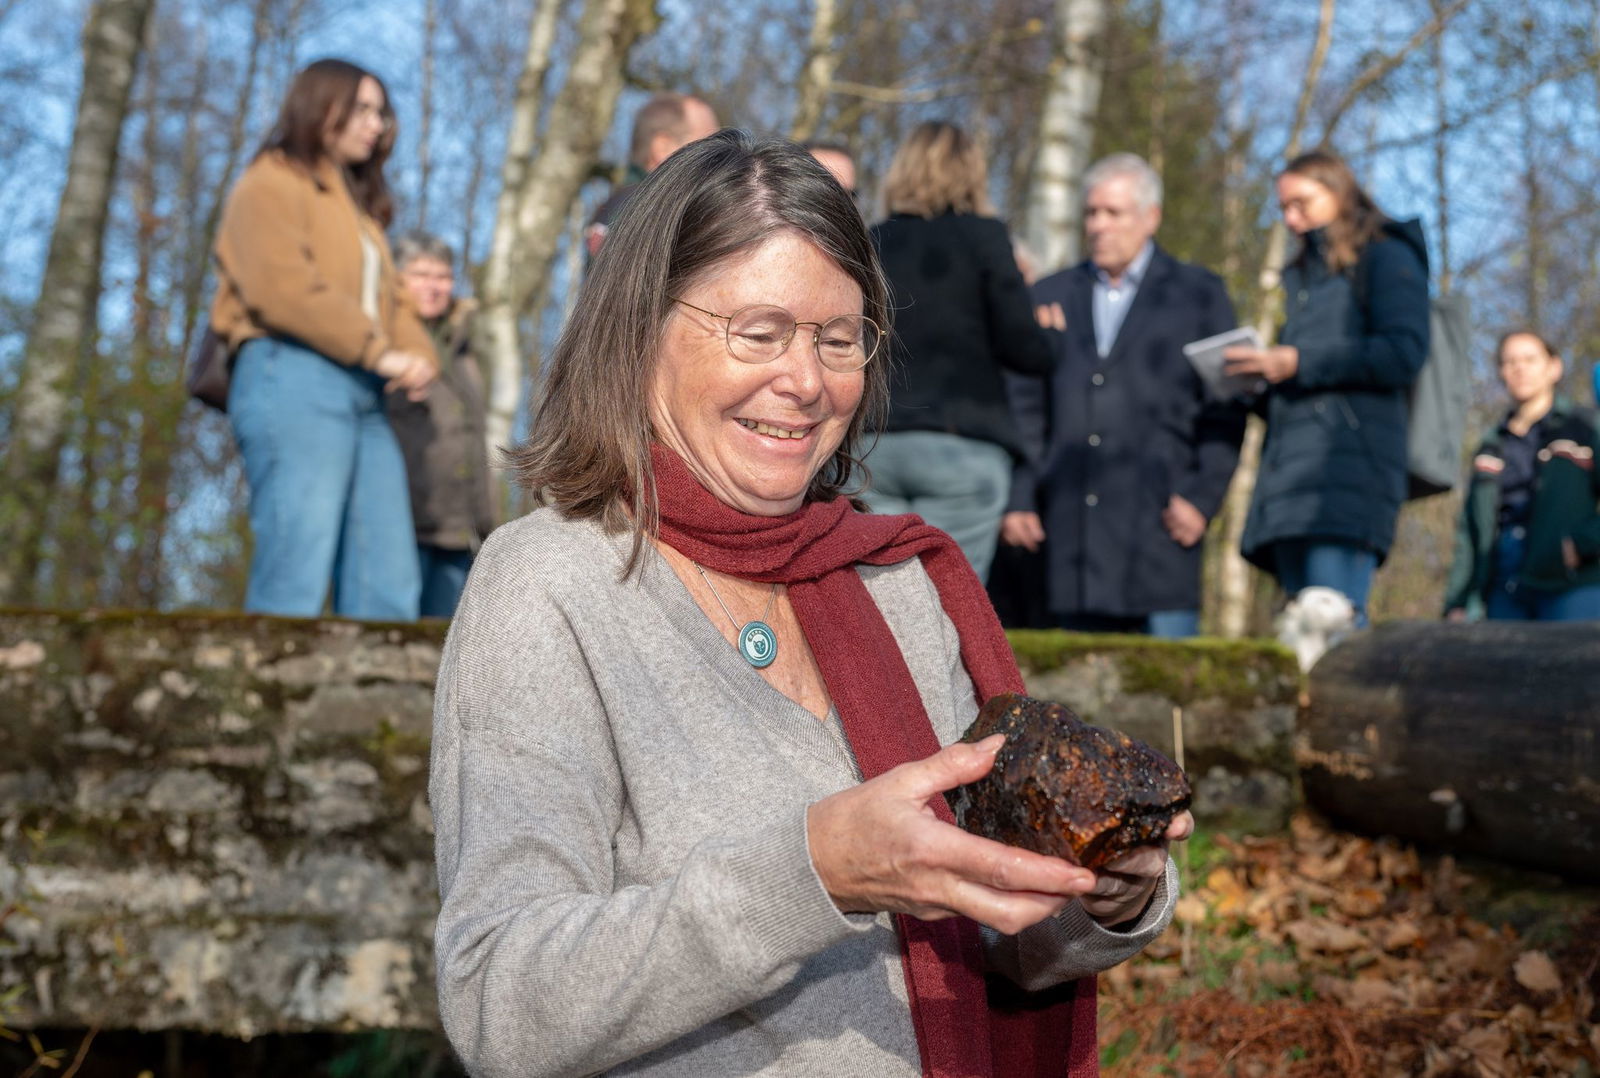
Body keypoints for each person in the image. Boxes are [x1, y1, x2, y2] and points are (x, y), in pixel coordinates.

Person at [431, 131, 1188, 1078]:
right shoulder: (549, 584)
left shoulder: (896, 582)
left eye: (840, 339)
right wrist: (813, 871)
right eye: (759, 331)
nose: (806, 381)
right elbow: (502, 1001)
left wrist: (1101, 891)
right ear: (640, 329)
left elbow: (996, 934)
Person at [210, 58, 436, 619]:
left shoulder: (362, 214)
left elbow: (395, 304)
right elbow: (280, 287)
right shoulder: (272, 179)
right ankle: (272, 703)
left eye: (381, 112)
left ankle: (378, 706)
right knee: (295, 572)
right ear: (320, 105)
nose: (376, 123)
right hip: (289, 373)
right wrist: (378, 350)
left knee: (388, 581)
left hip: (364, 393)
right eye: (361, 108)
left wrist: (420, 357)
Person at [1001, 153, 1244, 638]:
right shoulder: (1050, 295)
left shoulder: (1200, 295)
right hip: (1067, 534)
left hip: (1161, 529)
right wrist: (1019, 496)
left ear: (1151, 218)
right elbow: (1024, 407)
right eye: (1091, 213)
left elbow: (1228, 405)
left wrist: (1202, 497)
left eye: (1113, 213)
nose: (1098, 226)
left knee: (1163, 699)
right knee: (1071, 704)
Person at [1225, 148, 1430, 625]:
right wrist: (1259, 384)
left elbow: (1403, 352)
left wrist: (1297, 361)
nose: (1291, 219)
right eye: (1283, 209)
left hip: (1348, 476)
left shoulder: (1387, 254)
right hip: (1292, 480)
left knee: (1332, 628)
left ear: (1337, 192)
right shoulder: (1305, 278)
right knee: (1298, 634)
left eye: (1302, 203)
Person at [862, 121, 1056, 582]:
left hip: (875, 445)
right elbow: (1026, 351)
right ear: (971, 173)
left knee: (874, 609)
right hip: (962, 447)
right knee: (951, 608)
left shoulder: (871, 240)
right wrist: (1053, 337)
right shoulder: (984, 237)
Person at [1443, 330, 1600, 621]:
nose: (1520, 368)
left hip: (1571, 581)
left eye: (1530, 359)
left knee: (1578, 664)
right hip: (1501, 586)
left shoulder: (1585, 428)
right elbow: (1469, 530)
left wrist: (1581, 543)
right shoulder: (1490, 445)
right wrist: (1459, 600)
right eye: (1510, 361)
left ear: (1554, 367)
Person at [386, 232, 495, 619]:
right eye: (421, 274)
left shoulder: (465, 352)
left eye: (443, 277)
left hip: (456, 532)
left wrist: (487, 526)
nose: (434, 287)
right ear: (396, 279)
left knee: (443, 649)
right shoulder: (381, 343)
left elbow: (475, 442)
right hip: (398, 525)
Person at [583, 91, 720, 259]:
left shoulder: (619, 208)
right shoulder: (652, 213)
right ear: (663, 147)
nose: (722, 162)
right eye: (709, 147)